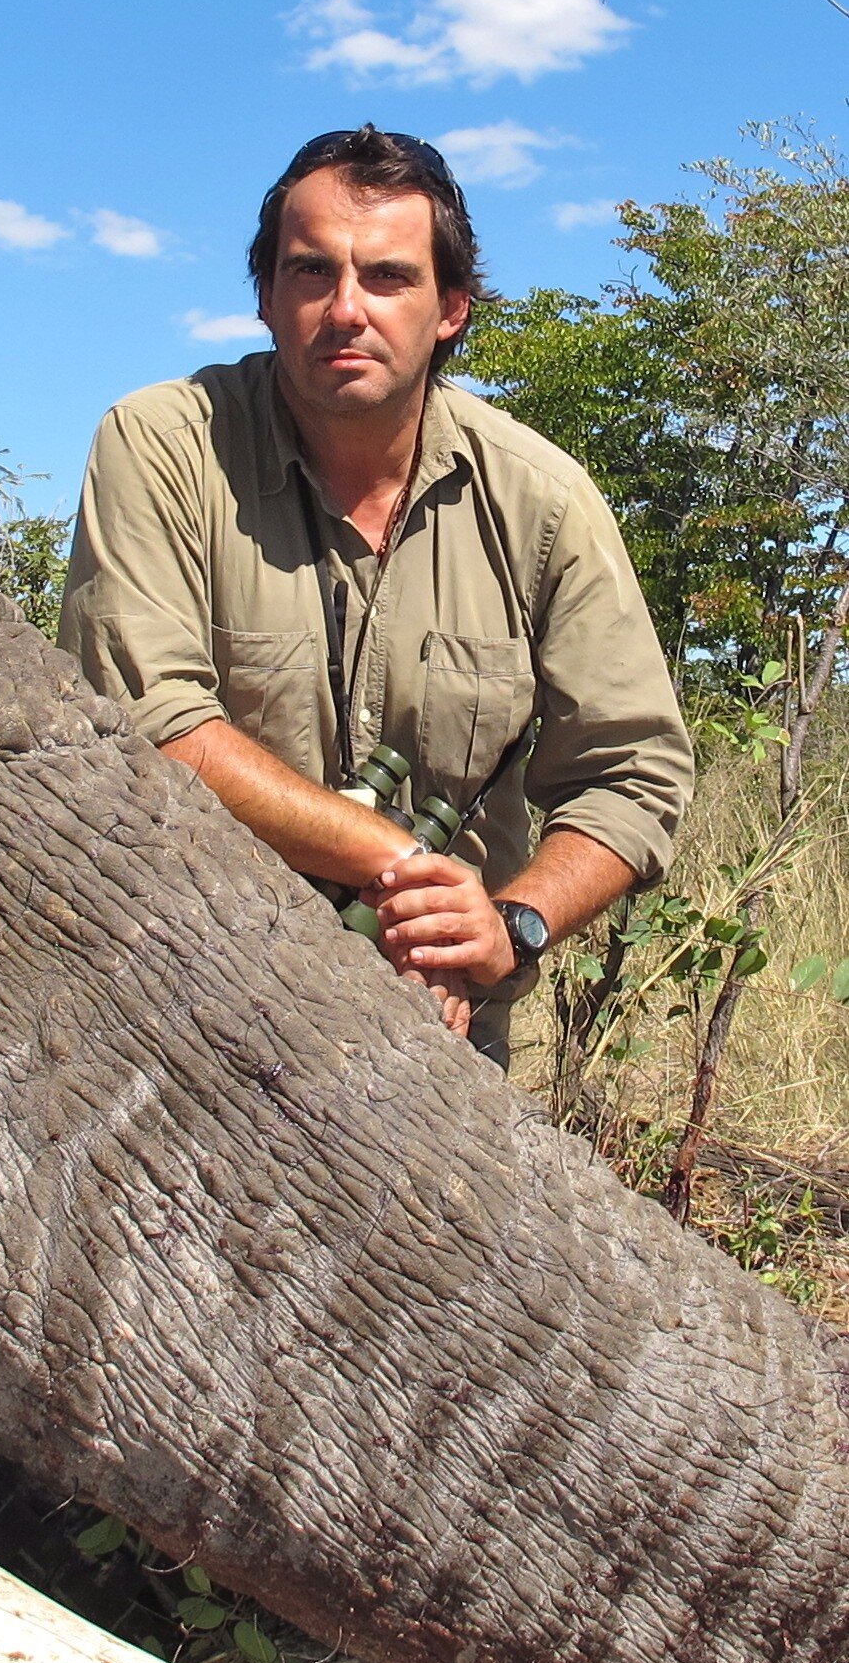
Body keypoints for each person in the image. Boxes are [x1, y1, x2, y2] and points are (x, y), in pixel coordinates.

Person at [58, 125, 695, 1057]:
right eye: (311, 272)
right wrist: (406, 868)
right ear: (267, 300)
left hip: (436, 1027)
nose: (345, 309)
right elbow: (148, 723)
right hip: (183, 994)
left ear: (451, 310)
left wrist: (497, 926)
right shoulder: (160, 444)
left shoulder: (542, 499)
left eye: (389, 277)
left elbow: (632, 774)